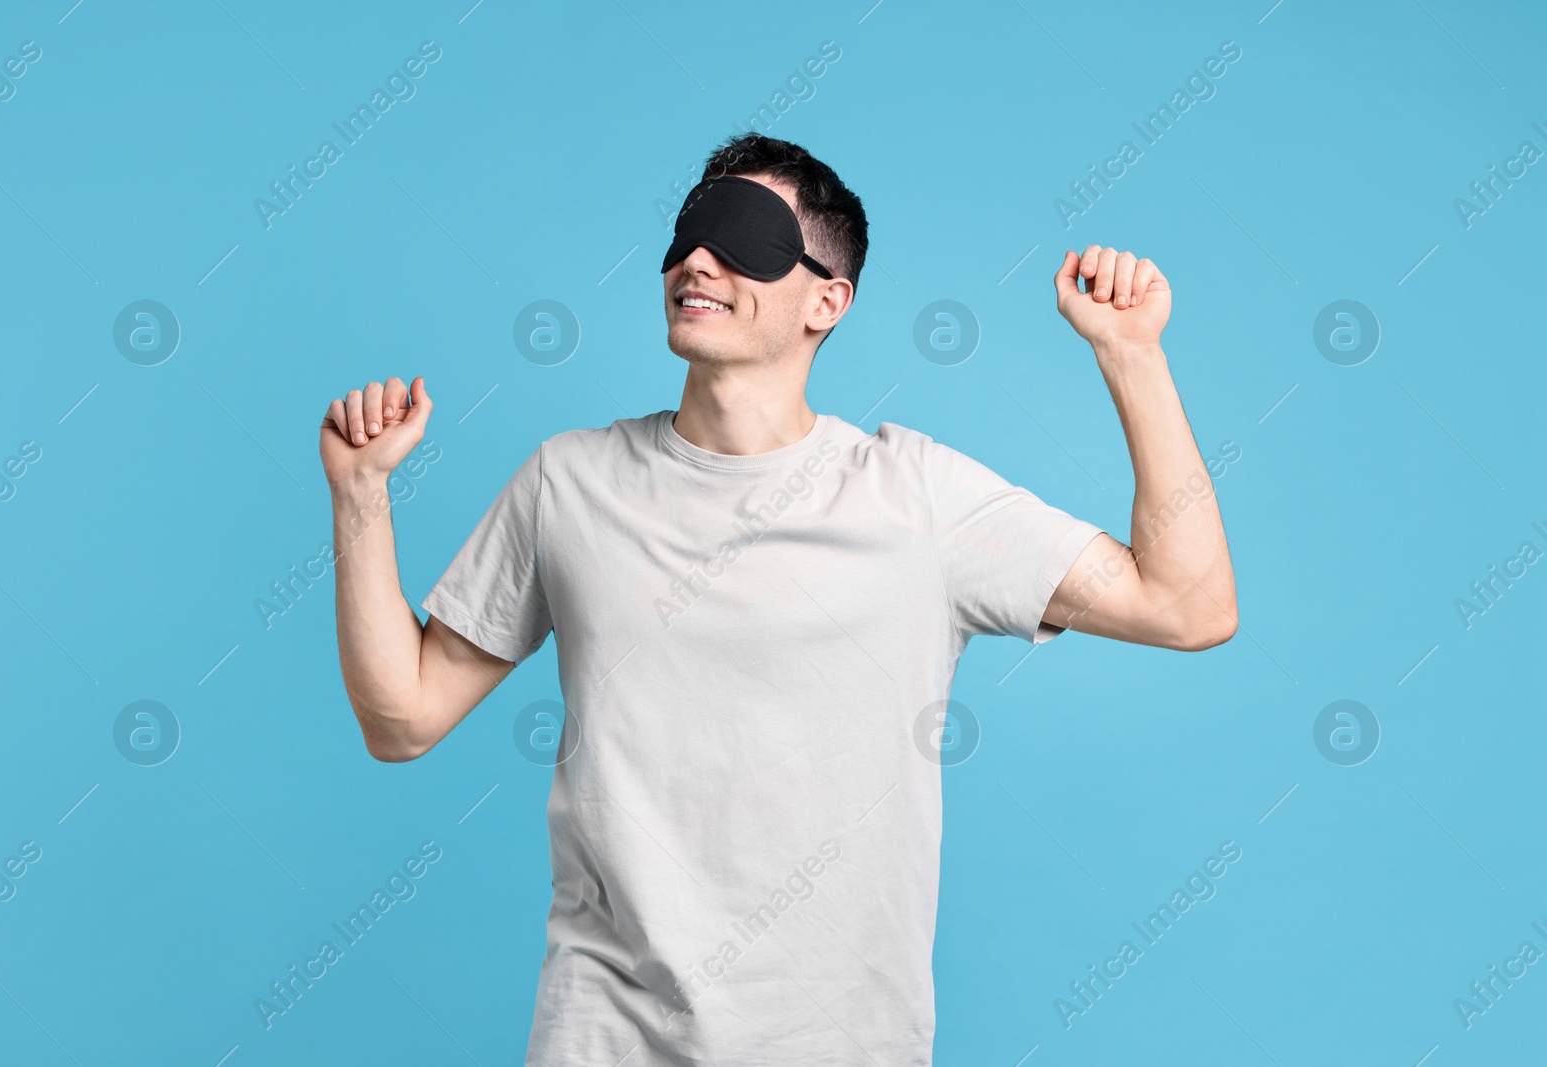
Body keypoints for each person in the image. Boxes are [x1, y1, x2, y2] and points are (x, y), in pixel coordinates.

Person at [318, 133, 1235, 1066]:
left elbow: (1188, 606)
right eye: (688, 235)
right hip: (605, 1039)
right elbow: (403, 718)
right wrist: (360, 498)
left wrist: (1131, 354)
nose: (697, 261)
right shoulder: (570, 481)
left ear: (827, 301)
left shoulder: (913, 496)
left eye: (745, 238)